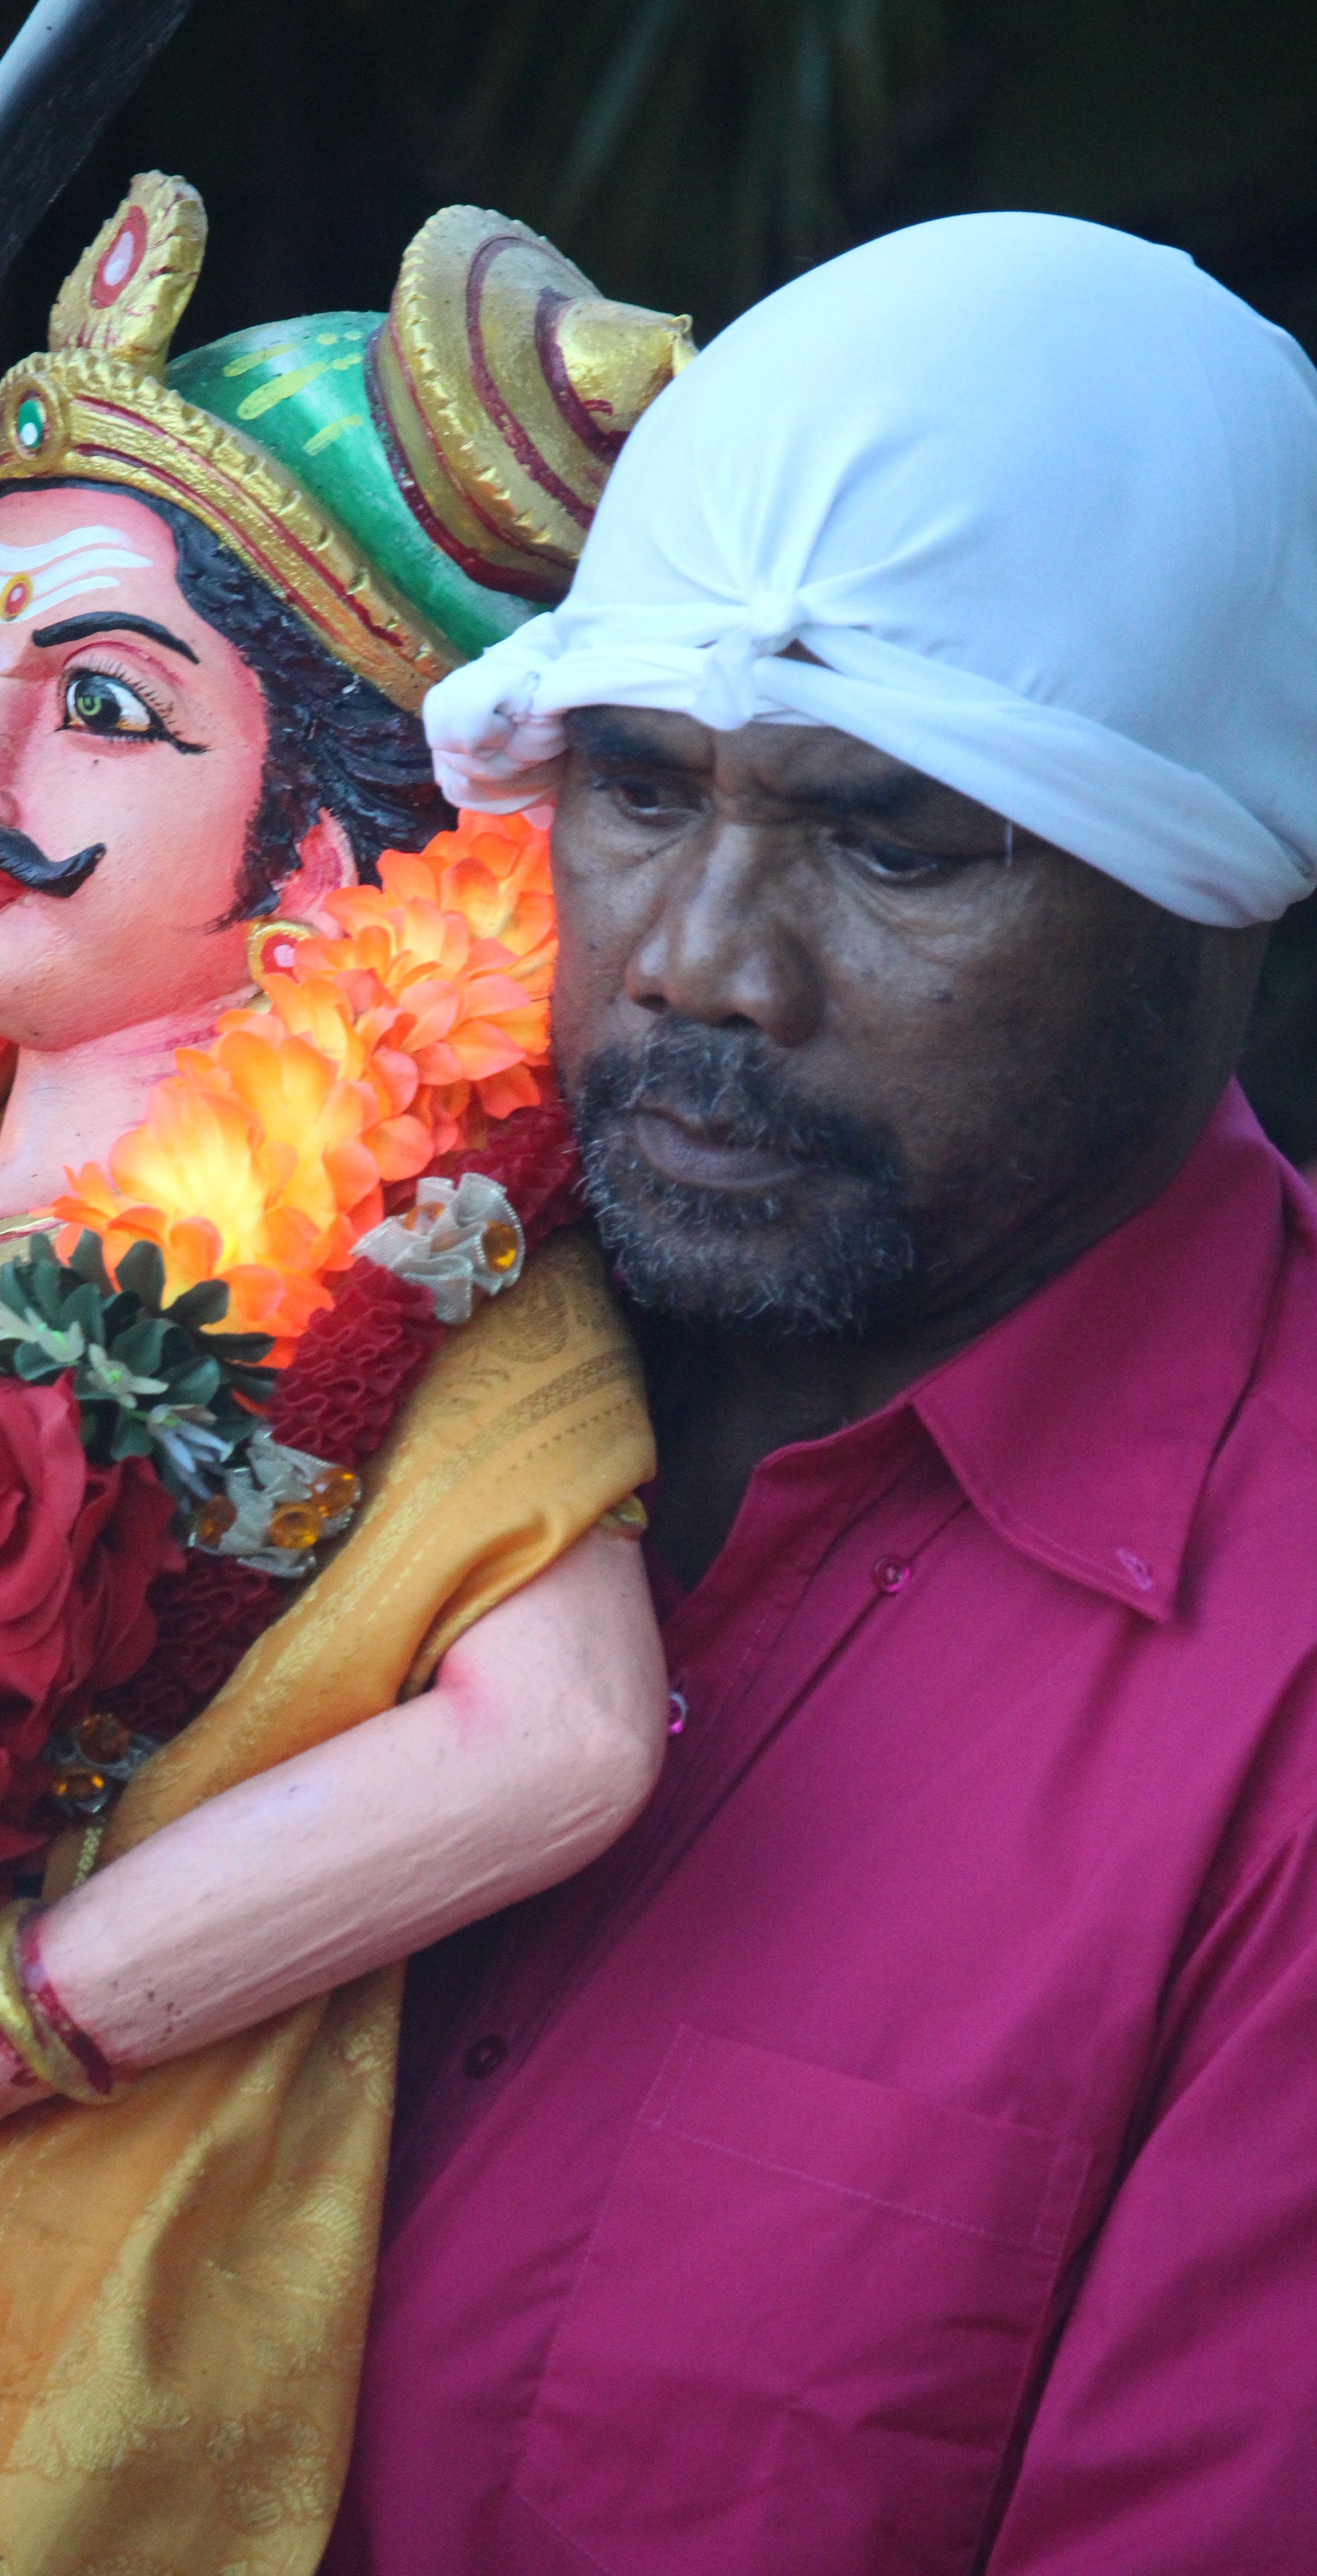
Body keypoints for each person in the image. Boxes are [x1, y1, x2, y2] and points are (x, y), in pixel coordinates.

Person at [0, 180, 692, 2574]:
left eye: (97, 702)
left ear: (343, 835)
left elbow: (571, 1734)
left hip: (38, 2210)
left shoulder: (404, 1262)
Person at [320, 211, 1317, 2572]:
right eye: (642, 789)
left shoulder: (1272, 1708)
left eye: (892, 840)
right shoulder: (315, 1336)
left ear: (1224, 894)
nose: (696, 965)